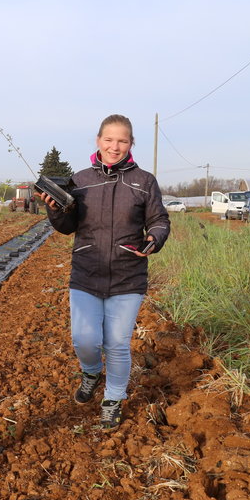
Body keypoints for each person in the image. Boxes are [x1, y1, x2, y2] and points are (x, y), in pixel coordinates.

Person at [36, 114, 170, 429]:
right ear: (98, 141)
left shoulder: (144, 181)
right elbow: (68, 227)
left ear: (131, 144)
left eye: (122, 140)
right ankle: (92, 370)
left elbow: (160, 220)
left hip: (128, 276)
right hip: (86, 273)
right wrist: (54, 209)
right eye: (109, 139)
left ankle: (113, 398)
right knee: (84, 338)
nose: (115, 146)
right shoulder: (80, 181)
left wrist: (154, 238)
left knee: (117, 342)